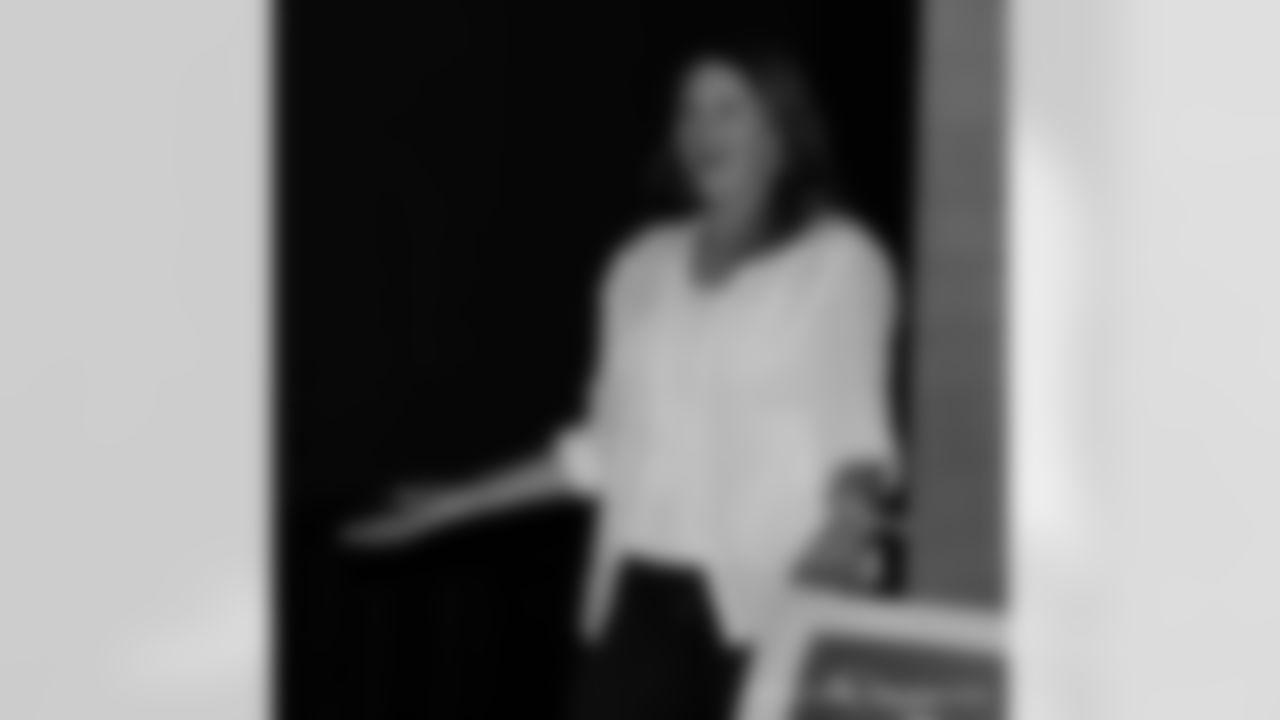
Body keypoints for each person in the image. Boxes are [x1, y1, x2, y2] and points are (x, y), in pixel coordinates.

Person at [342, 36, 902, 720]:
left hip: (775, 601)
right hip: (637, 603)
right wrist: (456, 505)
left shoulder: (839, 261)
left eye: (729, 108)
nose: (701, 129)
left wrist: (835, 552)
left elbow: (857, 439)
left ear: (782, 132)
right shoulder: (639, 267)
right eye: (688, 110)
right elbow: (607, 449)